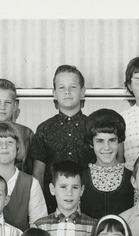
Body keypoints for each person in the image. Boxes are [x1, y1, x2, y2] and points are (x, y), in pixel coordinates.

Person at [31, 65, 95, 211]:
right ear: (54, 93)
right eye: (61, 88)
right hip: (53, 206)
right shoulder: (44, 129)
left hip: (90, 203)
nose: (67, 92)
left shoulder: (94, 127)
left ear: (82, 91)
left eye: (73, 87)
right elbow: (38, 173)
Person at [79, 108, 134, 219]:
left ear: (119, 141)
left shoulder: (133, 178)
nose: (107, 147)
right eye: (100, 141)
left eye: (112, 140)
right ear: (91, 143)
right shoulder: (80, 178)